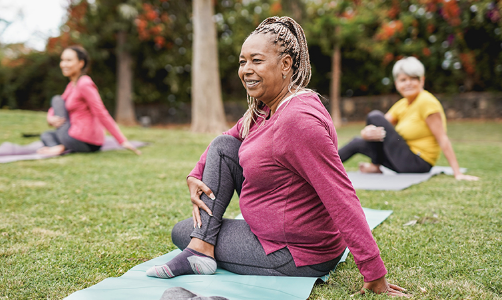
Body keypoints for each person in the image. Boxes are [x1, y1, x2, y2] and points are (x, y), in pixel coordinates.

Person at [146, 17, 409, 297]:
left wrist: (374, 272)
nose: (246, 70)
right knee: (223, 147)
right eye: (242, 61)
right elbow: (228, 138)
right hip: (276, 235)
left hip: (295, 253)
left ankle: (200, 247)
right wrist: (195, 173)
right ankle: (201, 247)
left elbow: (340, 194)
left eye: (256, 61)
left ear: (285, 65)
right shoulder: (266, 108)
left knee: (182, 231)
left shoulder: (298, 120)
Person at [338, 57, 478, 181]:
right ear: (397, 83)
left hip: (418, 162)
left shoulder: (426, 102)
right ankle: (321, 170)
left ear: (422, 80)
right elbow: (380, 125)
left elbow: (442, 138)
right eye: (403, 80)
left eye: (413, 79)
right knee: (357, 142)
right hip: (401, 159)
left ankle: (375, 166)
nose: (408, 83)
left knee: (374, 115)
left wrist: (457, 173)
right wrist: (366, 133)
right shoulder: (402, 104)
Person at [37, 46, 141, 156]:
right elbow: (56, 106)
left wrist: (122, 140)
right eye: (62, 60)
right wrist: (50, 118)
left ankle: (61, 147)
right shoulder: (71, 86)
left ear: (81, 63)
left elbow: (101, 112)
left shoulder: (84, 83)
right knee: (46, 135)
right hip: (75, 137)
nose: (63, 64)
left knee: (56, 99)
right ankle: (60, 147)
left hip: (84, 140)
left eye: (68, 60)